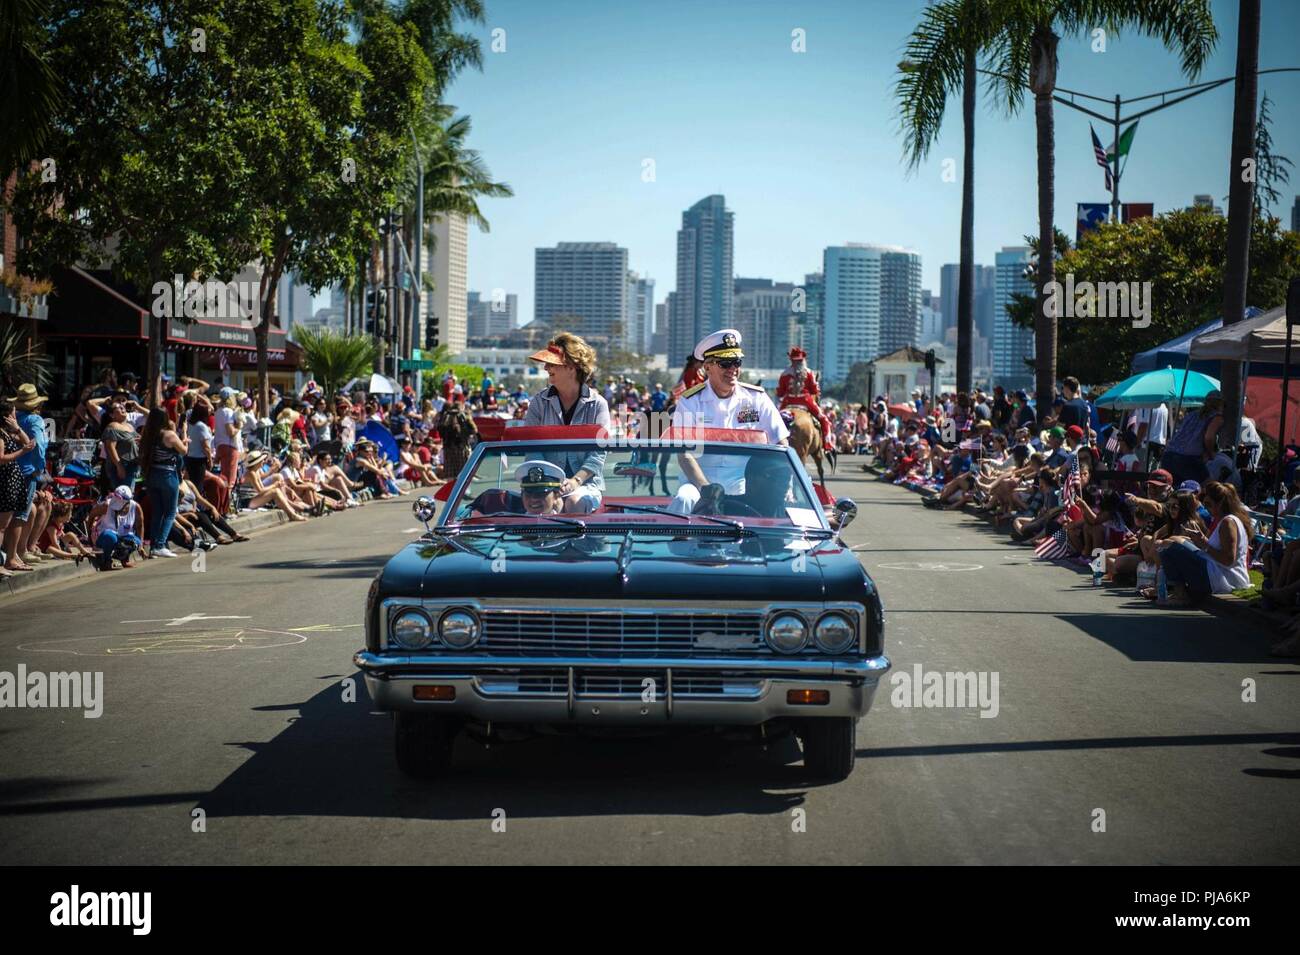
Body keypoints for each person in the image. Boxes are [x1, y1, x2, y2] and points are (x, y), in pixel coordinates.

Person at [668, 329, 789, 515]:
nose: (733, 369)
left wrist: (783, 486)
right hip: (698, 481)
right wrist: (706, 490)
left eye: (736, 362)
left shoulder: (757, 398)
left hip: (743, 482)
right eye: (725, 363)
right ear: (707, 367)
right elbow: (684, 454)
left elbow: (780, 445)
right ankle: (678, 542)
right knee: (684, 499)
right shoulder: (690, 401)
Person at [523, 332, 611, 514]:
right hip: (543, 483)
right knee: (545, 505)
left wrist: (575, 481)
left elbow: (598, 453)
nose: (546, 367)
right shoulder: (538, 403)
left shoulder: (598, 404)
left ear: (572, 367)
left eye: (552, 363)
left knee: (574, 502)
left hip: (586, 485)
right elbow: (531, 447)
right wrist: (549, 485)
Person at [1155, 481, 1251, 605]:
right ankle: (1179, 591)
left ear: (1220, 503)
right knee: (1168, 544)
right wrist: (1199, 541)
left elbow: (1228, 559)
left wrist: (1204, 543)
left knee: (1172, 548)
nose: (1206, 508)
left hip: (1224, 578)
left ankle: (1181, 594)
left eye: (1209, 504)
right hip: (1215, 573)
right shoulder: (1223, 520)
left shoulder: (1228, 523)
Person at [6, 384, 51, 569]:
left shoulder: (13, 418)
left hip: (10, 468)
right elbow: (38, 447)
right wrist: (40, 468)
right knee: (20, 516)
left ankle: (14, 553)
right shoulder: (35, 420)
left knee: (9, 515)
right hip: (27, 471)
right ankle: (13, 555)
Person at [137, 407, 189, 557]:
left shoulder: (147, 435)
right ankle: (160, 544)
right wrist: (184, 433)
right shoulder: (169, 435)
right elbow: (184, 451)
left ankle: (154, 546)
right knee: (170, 512)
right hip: (167, 475)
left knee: (158, 512)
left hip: (151, 475)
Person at [0, 398, 38, 577]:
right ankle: (2, 562)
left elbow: (28, 442)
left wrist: (16, 428)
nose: (16, 414)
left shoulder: (7, 432)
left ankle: (9, 559)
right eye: (13, 412)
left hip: (13, 481)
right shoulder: (0, 435)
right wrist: (21, 452)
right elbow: (2, 458)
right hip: (6, 482)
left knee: (9, 522)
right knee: (2, 525)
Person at [777, 346, 834, 453]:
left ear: (791, 360)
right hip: (806, 402)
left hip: (787, 402)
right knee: (824, 420)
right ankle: (827, 445)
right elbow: (815, 391)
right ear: (803, 360)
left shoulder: (784, 374)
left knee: (774, 420)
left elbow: (780, 392)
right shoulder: (809, 373)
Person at [1161, 390, 1224, 485]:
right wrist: (1211, 453)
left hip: (1169, 455)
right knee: (1209, 487)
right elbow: (1209, 437)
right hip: (1189, 458)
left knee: (1176, 490)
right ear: (1220, 404)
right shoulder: (1217, 417)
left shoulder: (1191, 415)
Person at [469, 460, 569, 517]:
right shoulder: (508, 520)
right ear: (522, 495)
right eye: (528, 493)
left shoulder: (572, 524)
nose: (534, 499)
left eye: (541, 493)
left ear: (556, 496)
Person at [88, 485, 144, 571]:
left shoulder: (136, 507)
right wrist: (89, 537)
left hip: (121, 537)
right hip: (103, 536)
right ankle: (106, 560)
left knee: (135, 541)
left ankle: (125, 559)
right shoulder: (106, 505)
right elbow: (91, 516)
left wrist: (141, 545)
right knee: (110, 537)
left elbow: (140, 526)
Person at [435, 394, 478, 483]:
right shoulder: (464, 415)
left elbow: (438, 428)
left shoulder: (445, 415)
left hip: (447, 447)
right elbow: (474, 429)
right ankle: (464, 493)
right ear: (461, 406)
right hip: (461, 446)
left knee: (450, 474)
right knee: (464, 472)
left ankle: (451, 494)